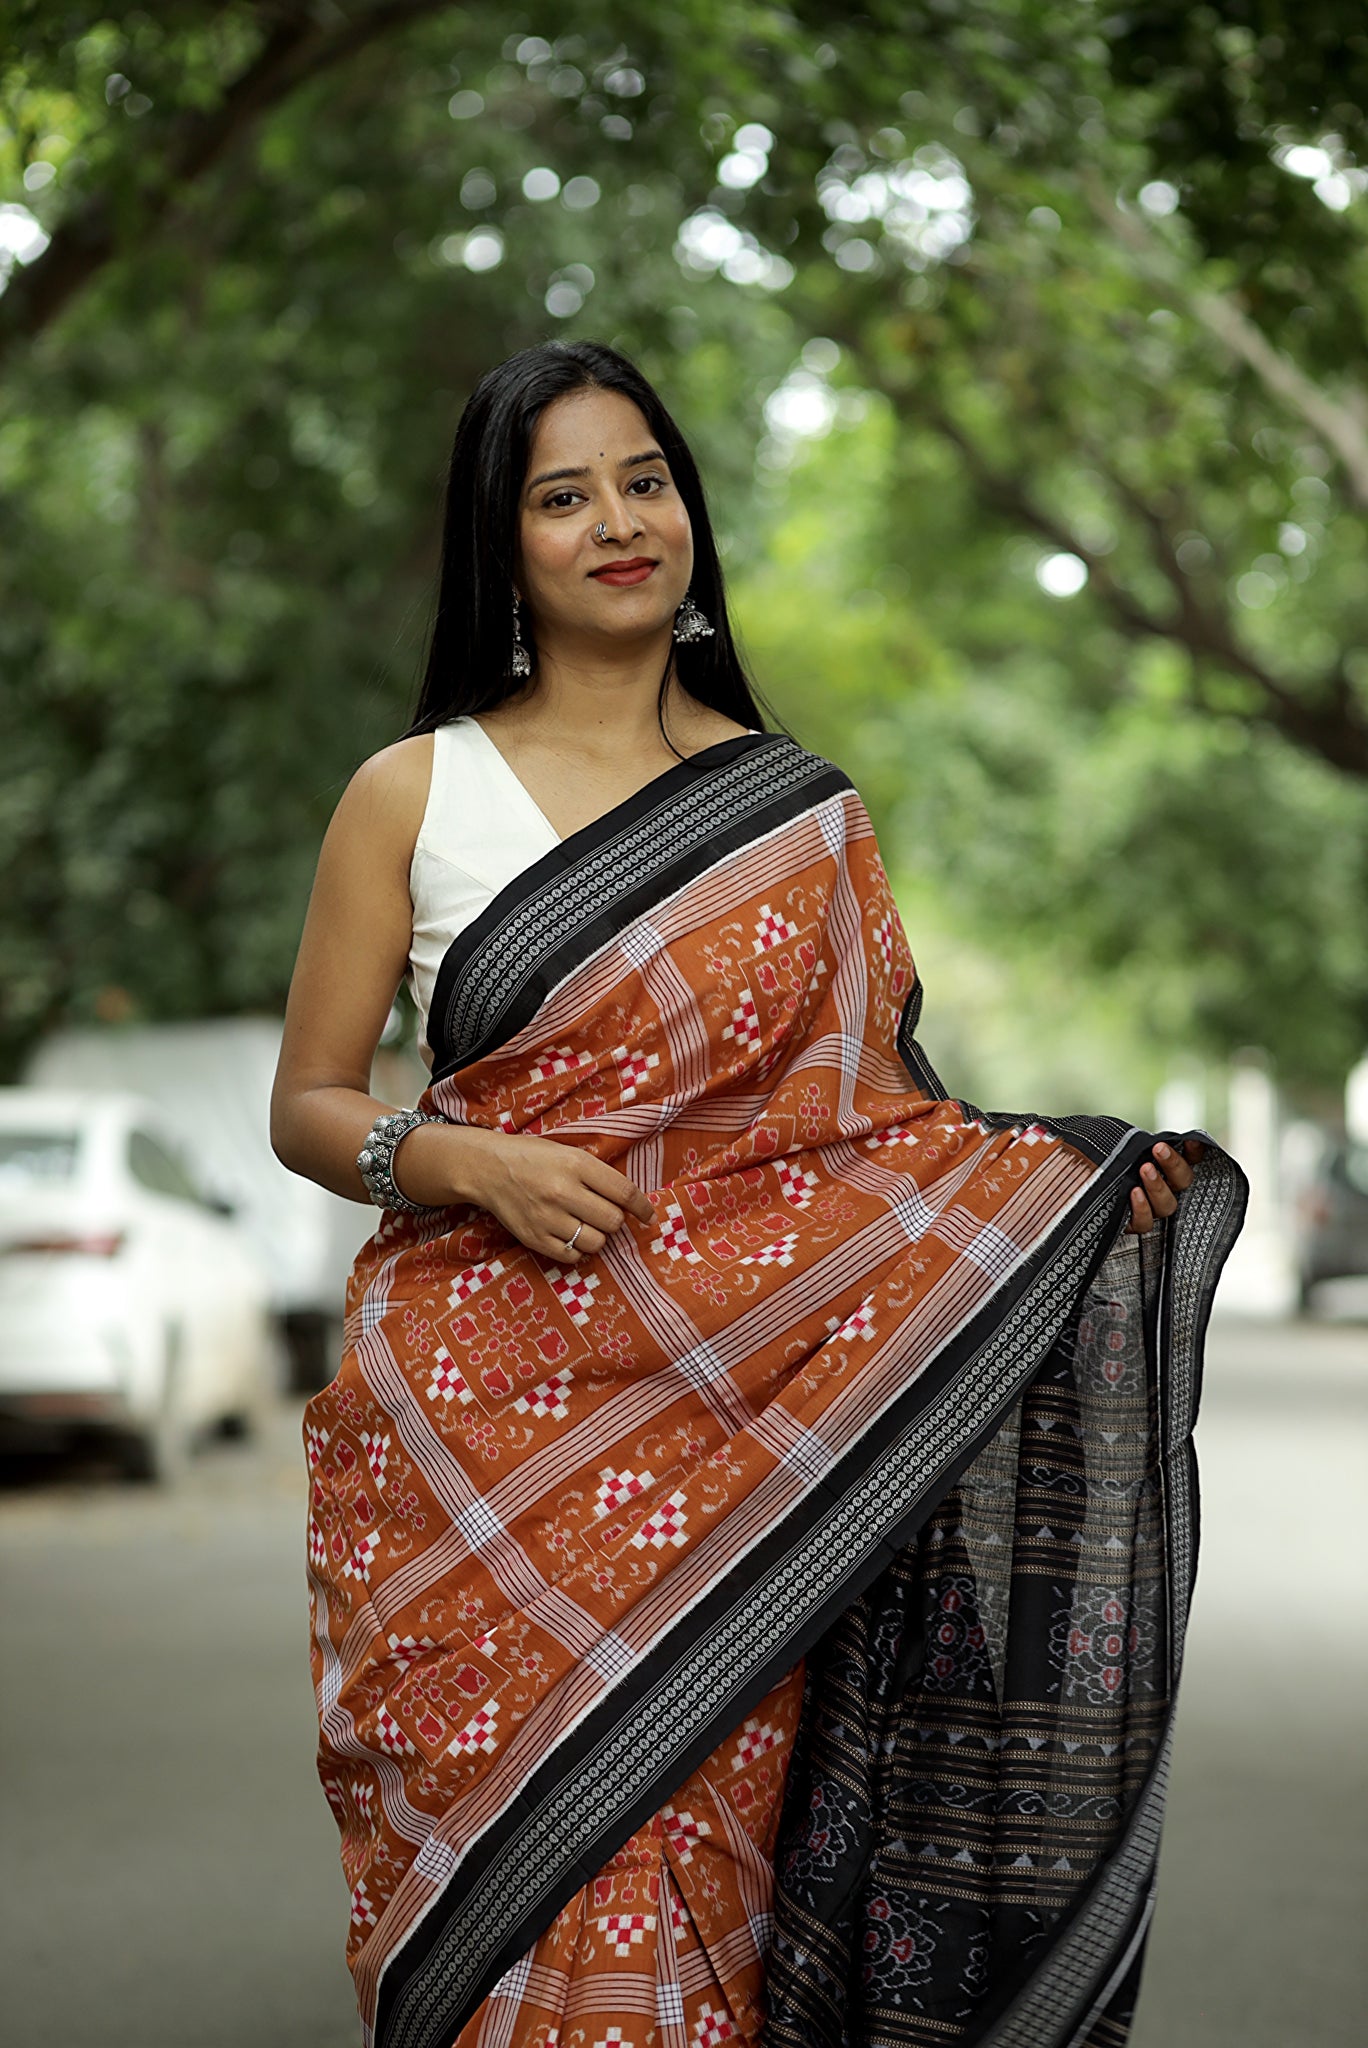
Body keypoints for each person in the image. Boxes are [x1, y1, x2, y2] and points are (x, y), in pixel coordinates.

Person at [270, 340, 1246, 2048]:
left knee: (691, 1878)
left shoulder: (798, 815)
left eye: (644, 481)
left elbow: (872, 1135)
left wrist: (1075, 1206)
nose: (618, 522)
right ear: (504, 546)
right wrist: (461, 1159)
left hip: (733, 1453)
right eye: (563, 497)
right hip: (473, 1453)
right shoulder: (415, 792)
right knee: (496, 1910)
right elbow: (308, 1103)